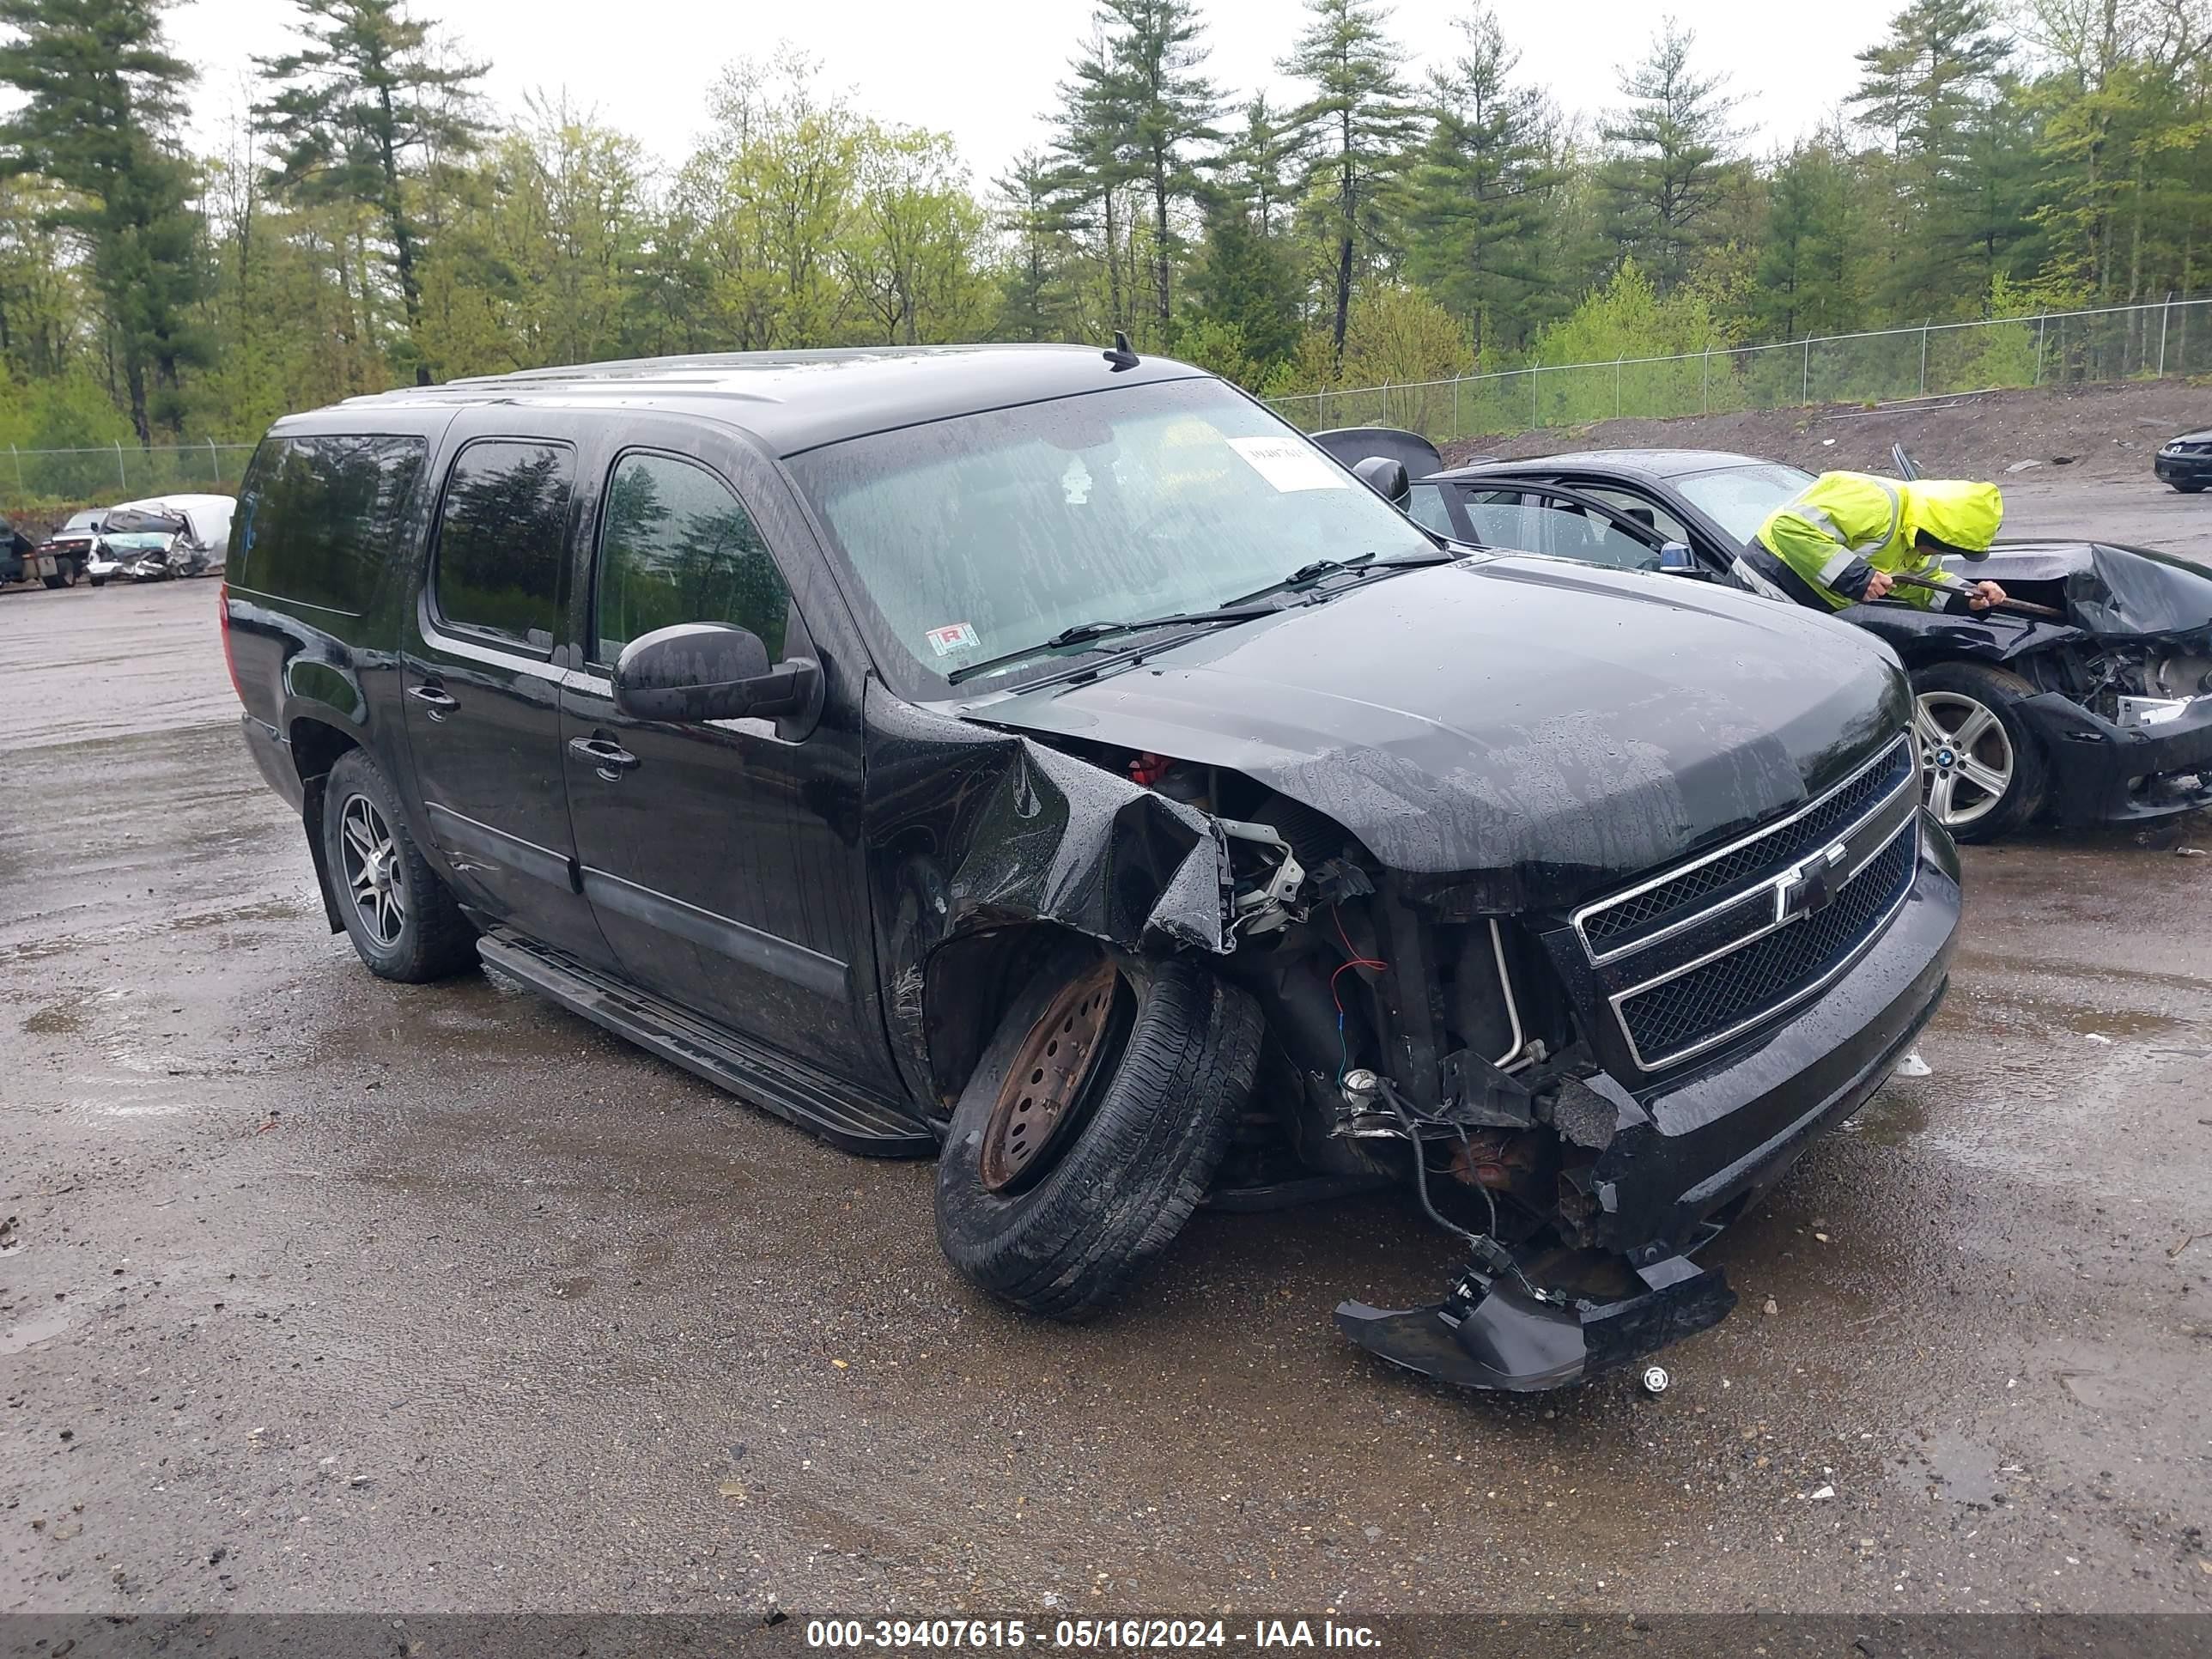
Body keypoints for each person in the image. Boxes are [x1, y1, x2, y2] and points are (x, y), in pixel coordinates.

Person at [1740, 472, 2008, 615]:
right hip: (1760, 590)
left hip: (1808, 611)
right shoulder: (1875, 502)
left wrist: (1970, 596)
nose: (1945, 554)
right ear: (1934, 534)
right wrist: (1858, 577)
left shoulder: (1915, 542)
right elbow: (1788, 528)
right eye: (1951, 548)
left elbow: (1922, 584)